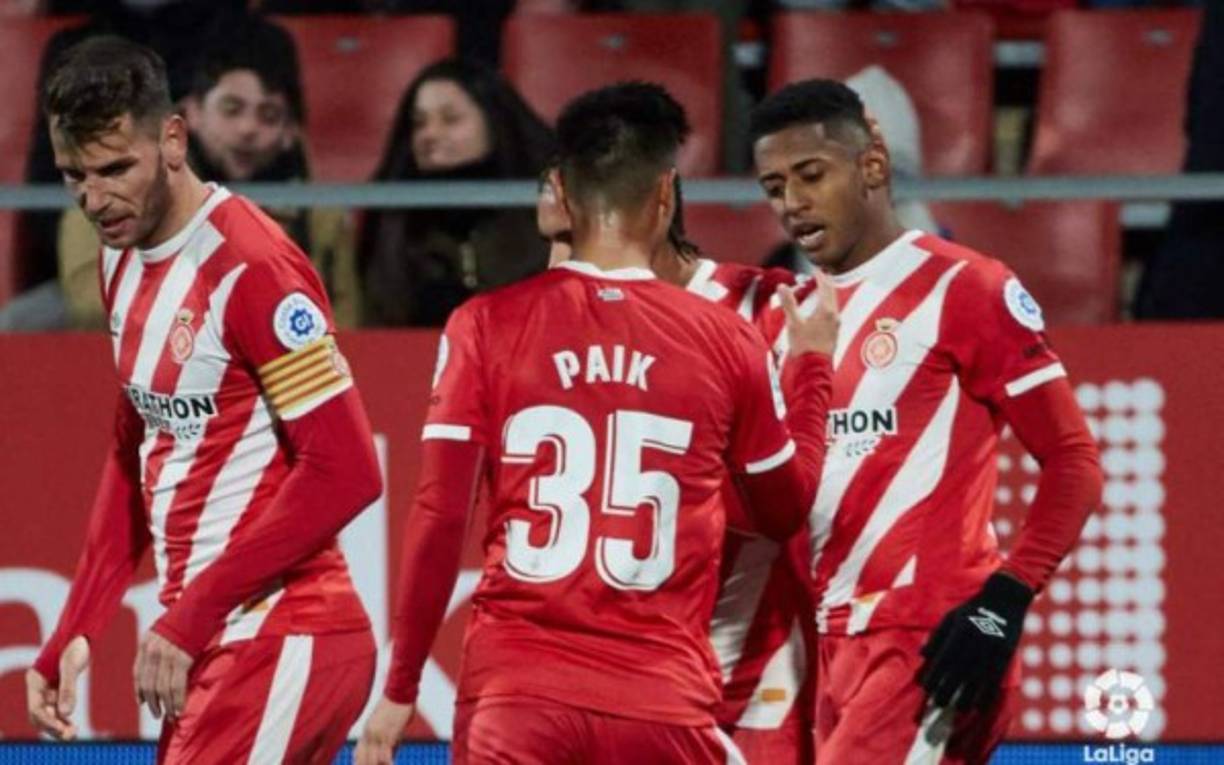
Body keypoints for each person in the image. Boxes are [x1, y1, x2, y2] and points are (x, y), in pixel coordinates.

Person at [354, 82, 839, 764]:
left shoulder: (485, 324)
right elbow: (785, 509)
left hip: (516, 697)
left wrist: (399, 687)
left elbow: (438, 515)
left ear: (561, 191)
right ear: (666, 194)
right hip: (661, 706)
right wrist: (812, 368)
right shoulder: (728, 339)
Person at [23, 37, 381, 763]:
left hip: (285, 634)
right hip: (216, 643)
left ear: (175, 139)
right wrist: (78, 623)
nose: (95, 199)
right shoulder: (120, 256)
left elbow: (347, 469)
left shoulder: (252, 264)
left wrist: (190, 616)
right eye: (74, 177)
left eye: (117, 167)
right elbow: (136, 449)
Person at [748, 79, 1103, 763]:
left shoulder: (965, 288)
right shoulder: (782, 317)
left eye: (811, 175)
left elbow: (1073, 461)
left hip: (926, 635)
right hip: (818, 648)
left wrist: (1004, 601)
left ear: (873, 166)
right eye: (773, 185)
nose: (792, 203)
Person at [539, 168, 818, 763]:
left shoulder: (766, 309)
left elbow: (793, 502)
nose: (559, 268)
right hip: (614, 683)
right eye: (553, 246)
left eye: (571, 242)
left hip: (752, 676)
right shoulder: (549, 334)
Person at [55, 17, 361, 330]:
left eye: (269, 115)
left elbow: (346, 326)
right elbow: (91, 308)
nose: (247, 129)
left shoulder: (322, 214)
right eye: (231, 109)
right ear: (191, 113)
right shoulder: (116, 182)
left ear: (289, 132)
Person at [359, 58, 555, 326]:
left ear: (494, 123)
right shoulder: (393, 223)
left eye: (450, 119)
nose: (430, 134)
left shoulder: (547, 216)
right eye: (419, 123)